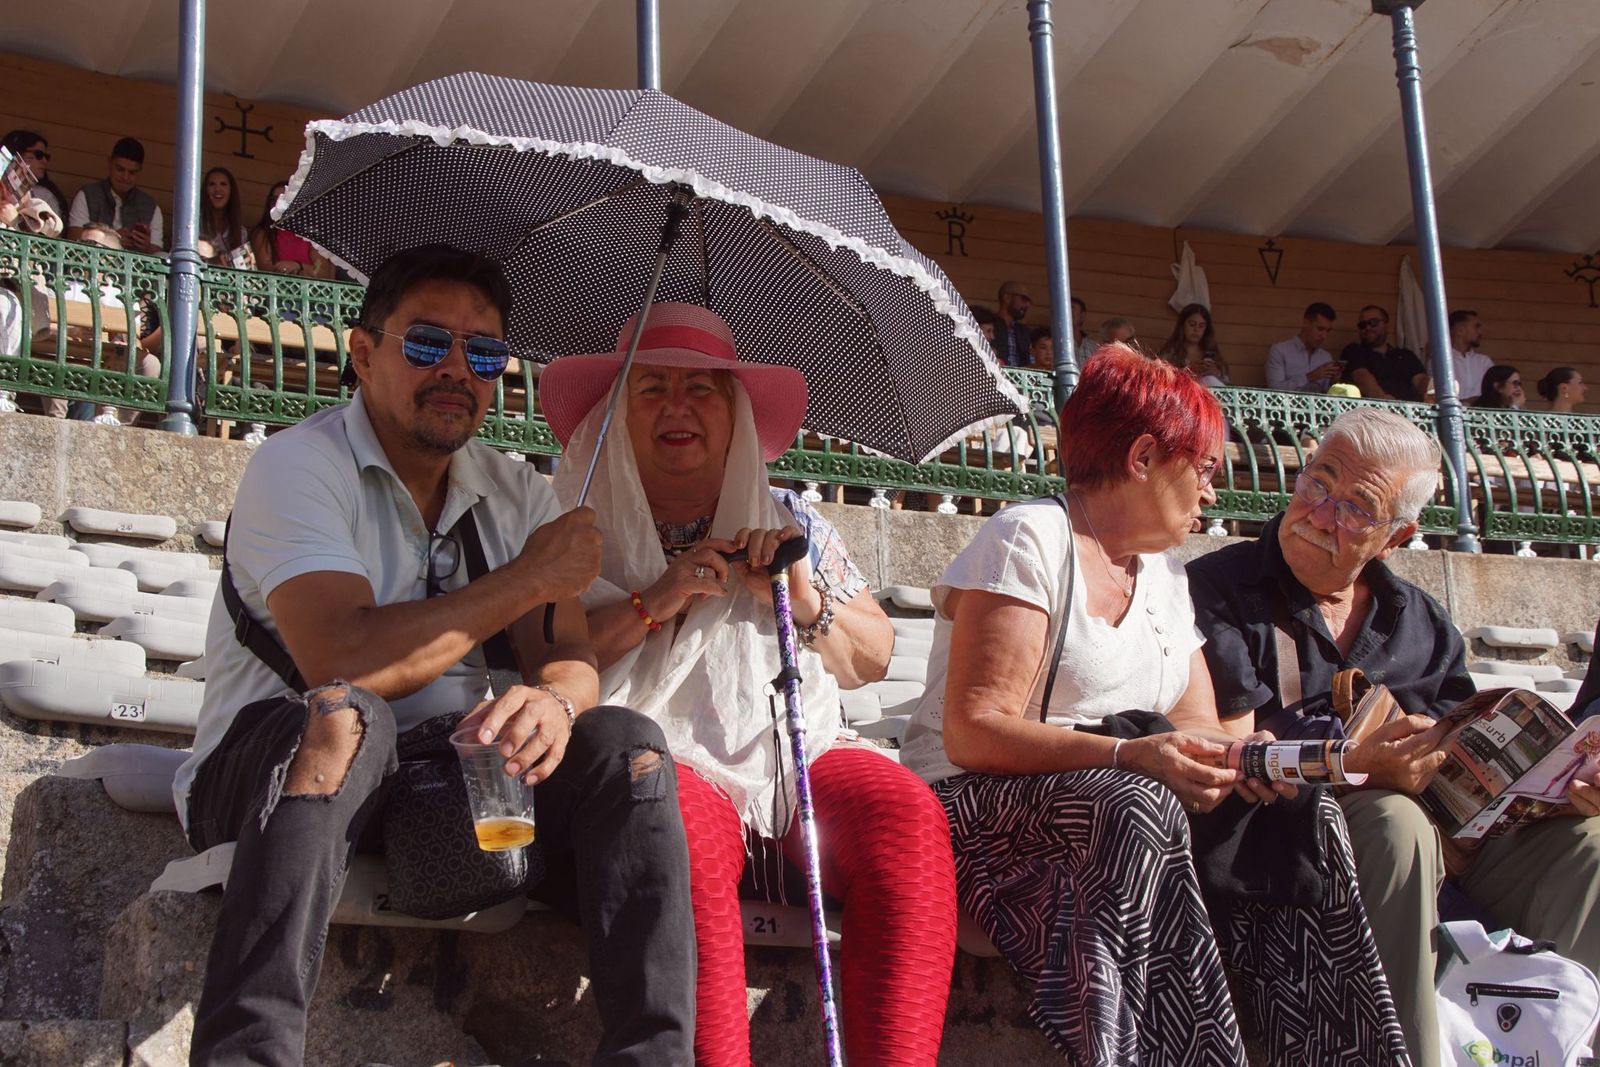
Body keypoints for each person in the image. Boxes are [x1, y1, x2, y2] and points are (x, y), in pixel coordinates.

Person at [172, 245, 695, 1066]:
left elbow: (567, 652)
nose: (456, 369)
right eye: (426, 343)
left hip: (454, 773)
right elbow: (343, 661)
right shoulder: (298, 465)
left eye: (483, 352)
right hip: (281, 763)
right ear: (363, 352)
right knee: (349, 717)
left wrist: (555, 701)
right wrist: (526, 577)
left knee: (628, 747)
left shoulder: (518, 492)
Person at [900, 347, 1406, 1066]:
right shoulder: (1028, 538)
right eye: (1203, 470)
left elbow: (1197, 725)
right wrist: (1127, 754)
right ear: (1143, 457)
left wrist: (1247, 761)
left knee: (1304, 815)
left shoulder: (1163, 574)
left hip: (1113, 795)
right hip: (975, 807)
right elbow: (972, 732)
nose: (1212, 494)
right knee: (1139, 802)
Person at [538, 301, 957, 1066]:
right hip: (656, 757)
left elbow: (870, 656)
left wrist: (800, 596)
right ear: (617, 410)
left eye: (702, 389)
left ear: (734, 413)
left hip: (798, 751)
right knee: (680, 834)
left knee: (905, 817)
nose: (678, 406)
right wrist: (658, 598)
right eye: (652, 388)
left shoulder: (793, 520)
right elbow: (544, 657)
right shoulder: (571, 524)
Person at [1187, 406, 1600, 1065]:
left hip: (1449, 842)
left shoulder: (1419, 620)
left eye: (1356, 507)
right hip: (1287, 841)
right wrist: (1358, 763)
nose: (1321, 514)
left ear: (1395, 536)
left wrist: (1553, 790)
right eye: (1318, 483)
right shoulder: (1217, 590)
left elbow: (1467, 737)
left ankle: (1561, 1044)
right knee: (1394, 819)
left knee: (1588, 846)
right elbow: (1227, 750)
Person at [66, 136, 162, 252]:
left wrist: (146, 247)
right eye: (120, 169)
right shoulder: (86, 195)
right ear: (110, 163)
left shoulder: (151, 207)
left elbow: (157, 252)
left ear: (140, 171)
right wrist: (112, 239)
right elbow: (73, 238)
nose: (125, 177)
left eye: (132, 172)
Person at [1340, 304, 1427, 401]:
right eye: (1362, 325)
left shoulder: (1406, 355)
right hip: (1372, 408)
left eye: (1373, 322)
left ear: (1387, 325)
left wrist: (1430, 396)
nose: (1367, 327)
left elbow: (1420, 380)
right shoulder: (1354, 351)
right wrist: (1383, 400)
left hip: (1409, 408)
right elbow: (1361, 377)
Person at [250, 180, 332, 277]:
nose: (277, 204)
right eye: (273, 200)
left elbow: (322, 271)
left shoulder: (311, 234)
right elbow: (264, 269)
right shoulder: (264, 233)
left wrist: (298, 266)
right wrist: (298, 270)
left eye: (284, 200)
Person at [1265, 302, 1338, 393]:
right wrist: (1309, 377)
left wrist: (1334, 381)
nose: (1324, 336)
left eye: (1328, 331)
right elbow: (1274, 390)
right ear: (1306, 323)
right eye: (1320, 329)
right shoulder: (1280, 351)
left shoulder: (1326, 357)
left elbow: (1328, 393)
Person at [1158, 302, 1229, 387]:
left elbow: (1226, 380)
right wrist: (1189, 371)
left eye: (1201, 326)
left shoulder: (1211, 351)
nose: (1196, 329)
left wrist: (1217, 372)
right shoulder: (1171, 351)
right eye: (1192, 324)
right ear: (1183, 325)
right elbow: (1161, 377)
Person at [1, 129, 67, 218]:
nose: (45, 161)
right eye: (39, 155)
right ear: (17, 154)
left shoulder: (44, 197)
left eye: (46, 157)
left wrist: (14, 220)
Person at [199, 167, 255, 269]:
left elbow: (247, 270)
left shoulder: (241, 232)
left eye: (223, 184)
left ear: (231, 191)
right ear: (205, 191)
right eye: (212, 184)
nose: (217, 189)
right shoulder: (195, 223)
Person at [1448, 309, 1494, 402]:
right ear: (1460, 330)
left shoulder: (1484, 362)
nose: (1480, 332)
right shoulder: (1442, 361)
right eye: (1476, 327)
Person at [992, 280, 1035, 367]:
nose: (1028, 305)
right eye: (1023, 299)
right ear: (1007, 298)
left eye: (1029, 302)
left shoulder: (1026, 332)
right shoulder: (990, 326)